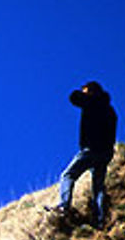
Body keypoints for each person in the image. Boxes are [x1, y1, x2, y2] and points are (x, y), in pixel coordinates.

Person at [46, 81, 117, 228]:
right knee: (98, 187)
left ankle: (63, 207)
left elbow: (73, 97)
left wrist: (85, 94)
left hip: (90, 149)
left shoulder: (92, 103)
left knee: (68, 175)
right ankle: (100, 221)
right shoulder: (111, 110)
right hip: (105, 152)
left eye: (85, 90)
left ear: (91, 91)